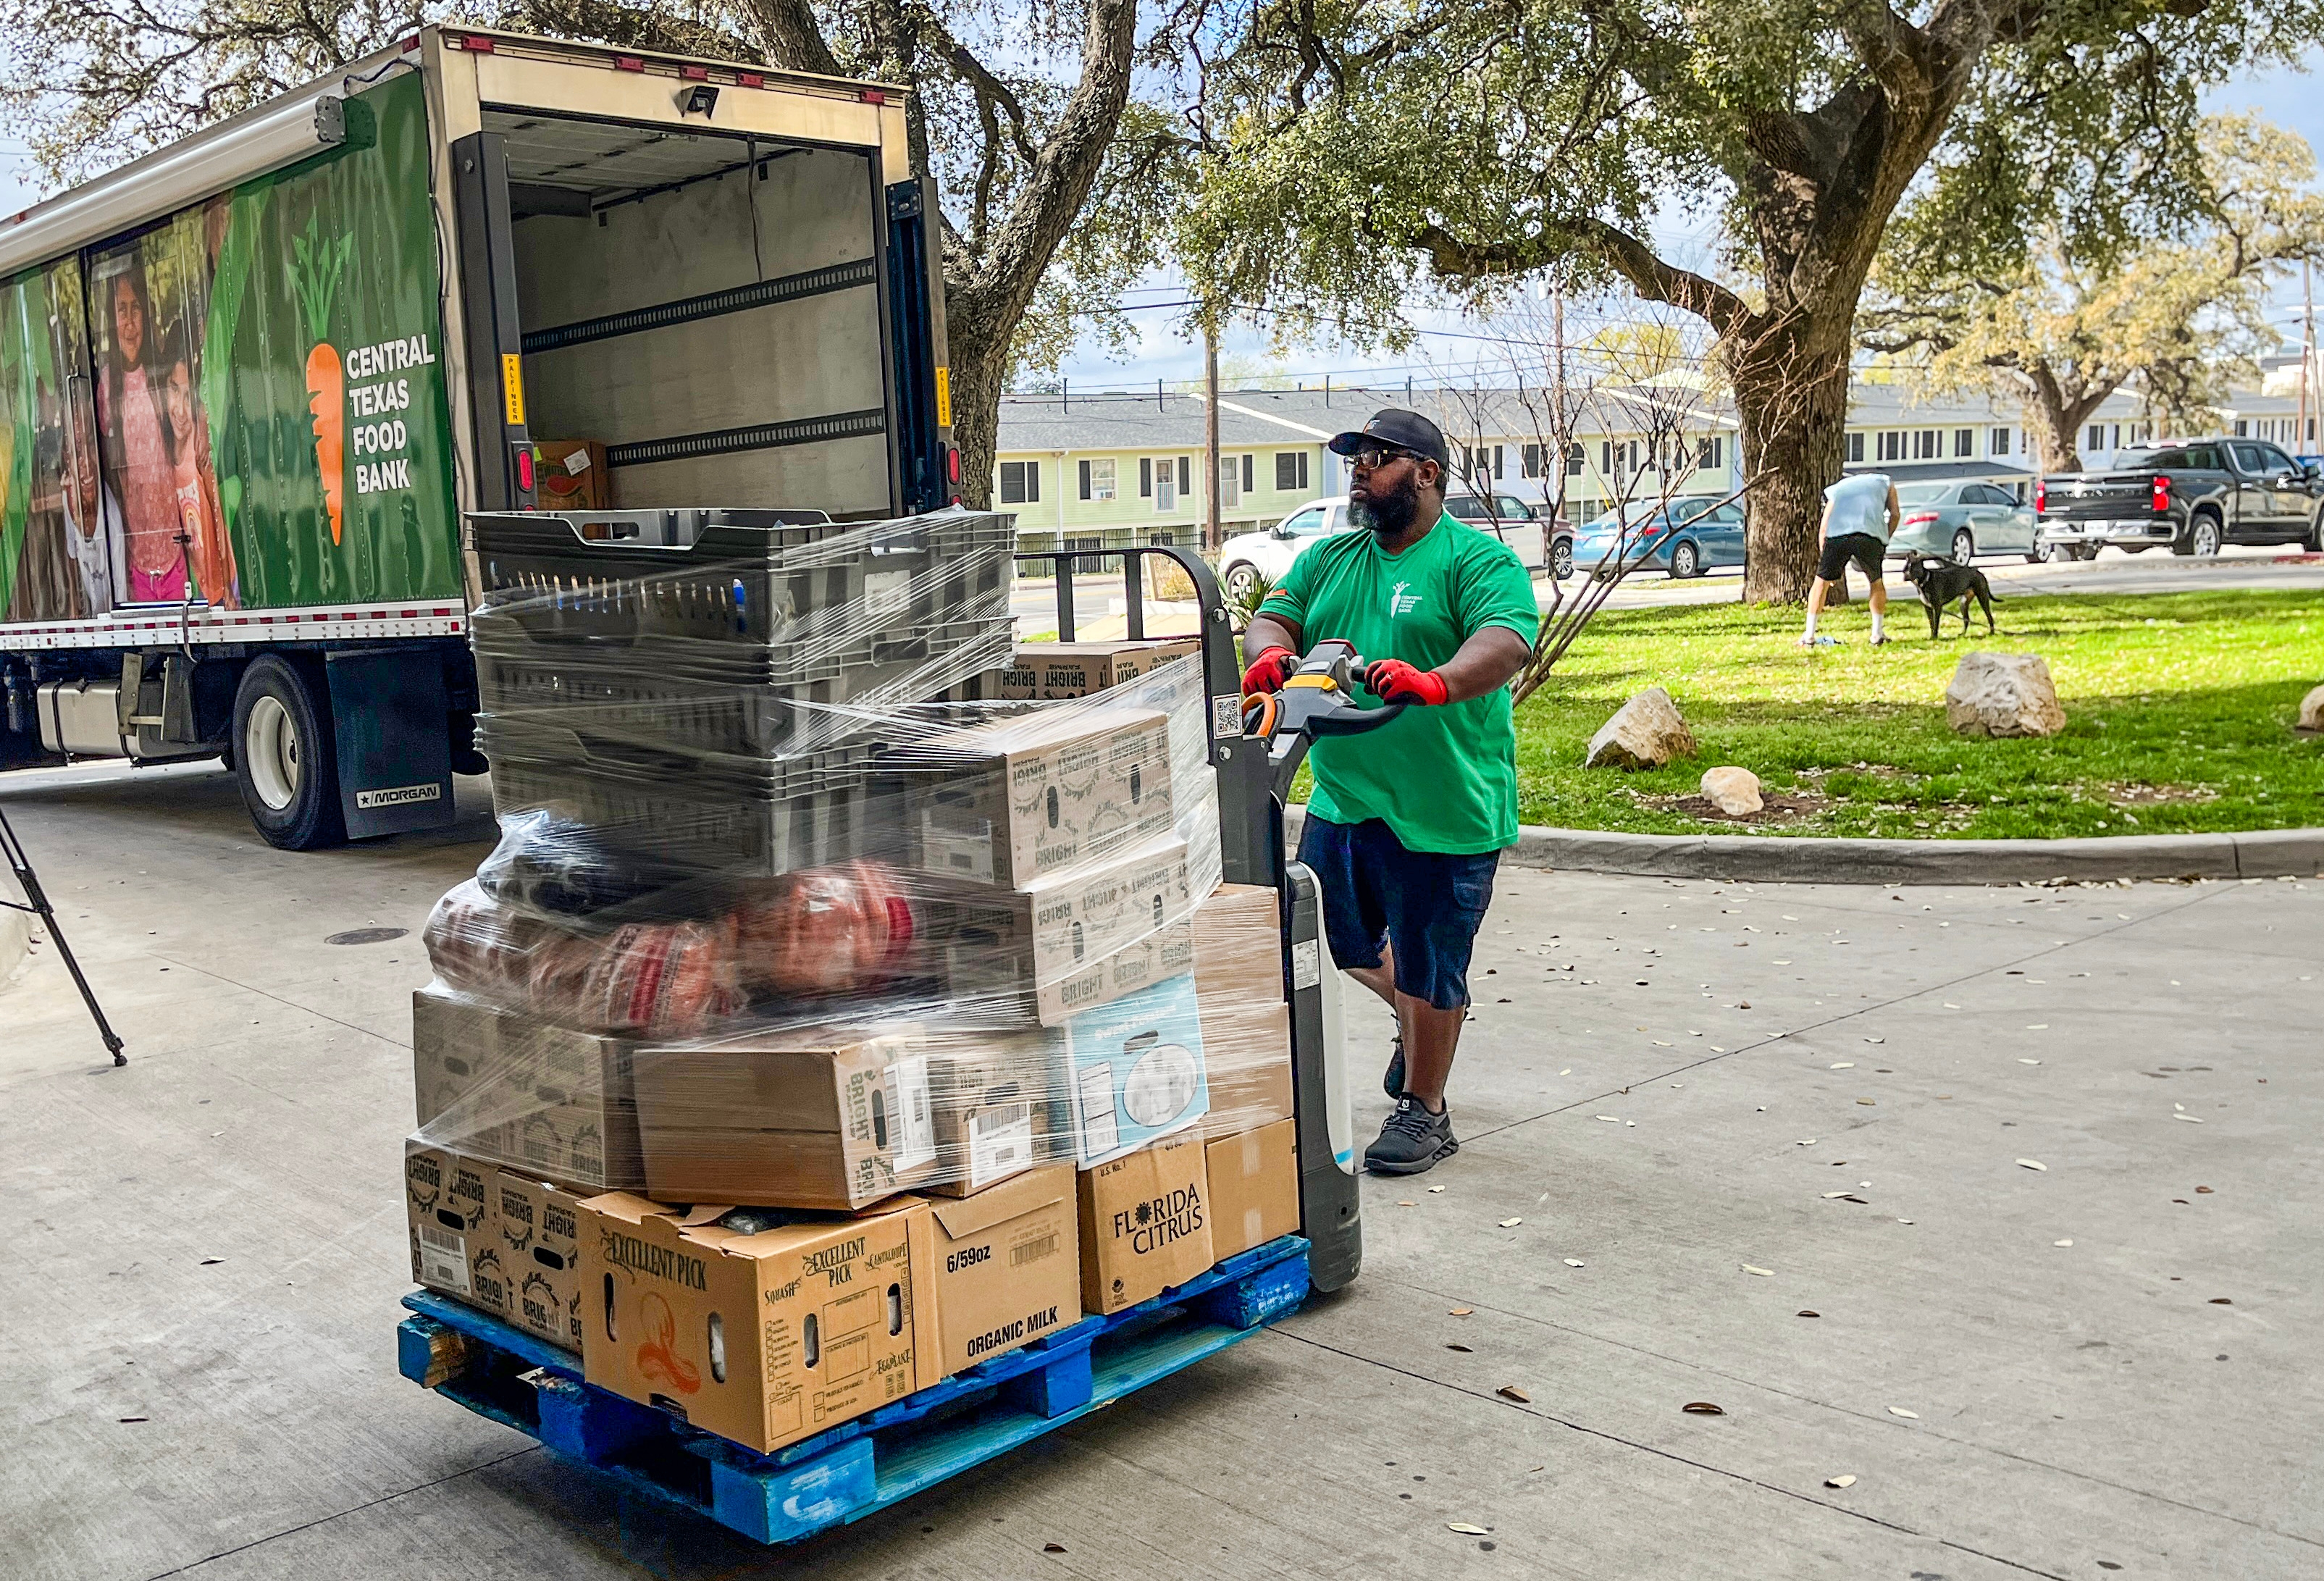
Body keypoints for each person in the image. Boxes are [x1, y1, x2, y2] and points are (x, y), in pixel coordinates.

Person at [1240, 408, 1538, 1175]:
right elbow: (1273, 617)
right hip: (1344, 797)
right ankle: (1424, 1021)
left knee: (1431, 963)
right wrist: (1270, 655)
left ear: (1426, 473)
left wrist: (1435, 682)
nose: (1359, 471)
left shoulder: (1475, 560)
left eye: (1376, 458)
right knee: (1337, 939)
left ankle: (1425, 1108)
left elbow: (1505, 641)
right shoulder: (1329, 557)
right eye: (1354, 460)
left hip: (1445, 806)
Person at [96, 261, 188, 604]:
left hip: (177, 559)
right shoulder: (107, 388)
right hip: (136, 569)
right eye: (122, 310)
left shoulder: (161, 373)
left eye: (136, 309)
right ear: (112, 320)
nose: (130, 322)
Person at [161, 353, 235, 607]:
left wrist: (227, 589)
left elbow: (218, 517)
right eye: (174, 390)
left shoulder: (199, 448)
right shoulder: (166, 451)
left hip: (223, 585)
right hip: (199, 587)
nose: (181, 411)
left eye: (188, 396)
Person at [1800, 471, 1899, 646]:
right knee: (1876, 581)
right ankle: (1877, 635)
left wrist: (1825, 556)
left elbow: (1824, 526)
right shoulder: (1886, 482)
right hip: (1870, 535)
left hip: (1838, 536)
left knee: (1820, 582)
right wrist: (1885, 538)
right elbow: (1895, 514)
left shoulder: (1839, 488)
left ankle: (1809, 636)